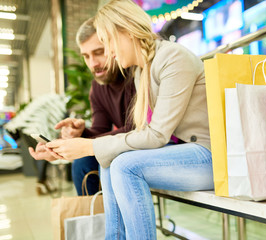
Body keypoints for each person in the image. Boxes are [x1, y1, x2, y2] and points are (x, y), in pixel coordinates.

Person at [42, 0, 214, 238]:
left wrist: (90, 145)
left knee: (124, 165)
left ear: (126, 31)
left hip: (208, 157)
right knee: (109, 160)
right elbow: (142, 132)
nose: (110, 53)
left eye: (107, 44)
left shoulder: (173, 58)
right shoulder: (142, 70)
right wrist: (81, 145)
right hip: (183, 154)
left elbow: (155, 135)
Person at [28, 17, 136, 196]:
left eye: (99, 52)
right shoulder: (97, 87)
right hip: (122, 146)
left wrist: (83, 143)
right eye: (86, 56)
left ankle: (110, 222)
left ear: (113, 46)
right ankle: (94, 220)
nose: (93, 63)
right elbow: (101, 130)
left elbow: (138, 128)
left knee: (101, 159)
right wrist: (79, 135)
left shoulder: (136, 75)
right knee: (83, 161)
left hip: (147, 143)